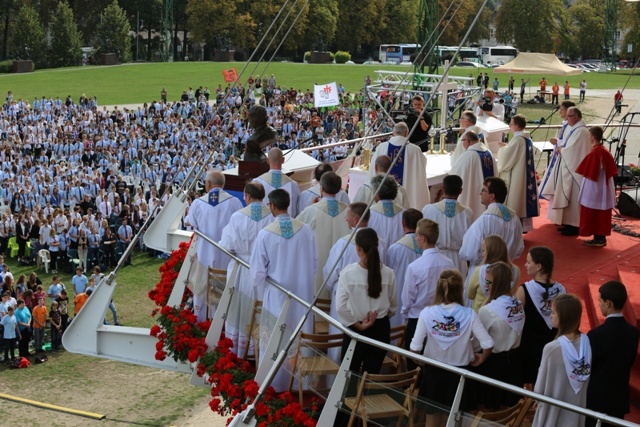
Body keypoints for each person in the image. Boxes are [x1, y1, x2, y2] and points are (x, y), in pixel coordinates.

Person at [250, 189, 317, 391]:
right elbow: (314, 264)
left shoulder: (265, 234)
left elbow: (256, 275)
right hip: (302, 293)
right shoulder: (305, 230)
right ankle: (301, 385)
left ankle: (274, 383)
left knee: (276, 337)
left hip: (278, 296)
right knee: (300, 335)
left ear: (272, 206)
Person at [410, 270, 493, 427]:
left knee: (432, 420)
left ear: (438, 288)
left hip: (434, 374)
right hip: (459, 376)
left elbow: (415, 348)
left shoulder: (427, 313)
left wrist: (419, 362)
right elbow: (488, 344)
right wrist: (482, 358)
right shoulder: (470, 314)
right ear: (460, 290)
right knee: (455, 421)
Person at [219, 182, 274, 357]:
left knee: (239, 307)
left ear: (248, 196)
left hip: (242, 268)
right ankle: (258, 350)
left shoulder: (238, 216)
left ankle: (238, 346)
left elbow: (226, 245)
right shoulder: (272, 216)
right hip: (265, 271)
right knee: (261, 308)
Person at [336, 227, 396, 374]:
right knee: (372, 377)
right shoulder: (389, 273)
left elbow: (341, 308)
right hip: (380, 328)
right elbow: (393, 306)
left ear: (358, 248)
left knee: (348, 376)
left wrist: (360, 326)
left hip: (356, 328)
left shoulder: (348, 274)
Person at [185, 170, 243, 321]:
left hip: (204, 255)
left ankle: (200, 322)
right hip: (225, 257)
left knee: (202, 291)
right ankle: (221, 324)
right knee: (223, 292)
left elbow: (190, 222)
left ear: (208, 184)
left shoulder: (198, 203)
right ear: (223, 184)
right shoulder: (235, 202)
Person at [401, 219, 455, 372]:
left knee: (414, 369)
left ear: (423, 238)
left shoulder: (415, 267)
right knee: (436, 367)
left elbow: (407, 299)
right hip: (442, 319)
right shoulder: (449, 263)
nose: (416, 239)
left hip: (417, 320)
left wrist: (405, 317)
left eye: (417, 235)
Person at [586, 281, 639, 427]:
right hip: (618, 400)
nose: (599, 304)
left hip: (595, 401)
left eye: (600, 301)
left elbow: (588, 368)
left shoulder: (596, 335)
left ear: (608, 303)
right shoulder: (633, 333)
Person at [533, 294, 591, 427]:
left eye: (553, 312)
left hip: (552, 417)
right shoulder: (586, 342)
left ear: (563, 316)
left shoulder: (551, 348)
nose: (550, 316)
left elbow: (539, 389)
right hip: (576, 414)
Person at [476, 261, 525, 409]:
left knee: (489, 410)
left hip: (493, 366)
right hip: (515, 363)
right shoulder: (517, 304)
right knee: (509, 409)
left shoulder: (488, 310)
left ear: (497, 283)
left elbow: (478, 342)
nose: (486, 286)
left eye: (488, 282)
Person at [515, 246, 567, 386]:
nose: (525, 265)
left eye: (528, 262)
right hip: (553, 345)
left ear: (538, 266)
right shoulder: (561, 290)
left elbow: (514, 318)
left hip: (529, 347)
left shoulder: (524, 290)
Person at [459, 177, 524, 281]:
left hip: (484, 275)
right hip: (505, 273)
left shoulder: (485, 219)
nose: (480, 193)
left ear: (492, 196)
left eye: (483, 190)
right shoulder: (515, 219)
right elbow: (518, 250)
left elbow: (469, 252)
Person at [297, 172, 350, 295]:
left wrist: (310, 207)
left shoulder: (312, 210)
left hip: (318, 267)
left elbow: (297, 228)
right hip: (343, 267)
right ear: (338, 189)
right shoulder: (348, 211)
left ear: (321, 188)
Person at [541, 107, 591, 236]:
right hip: (569, 167)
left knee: (573, 198)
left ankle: (574, 225)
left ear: (576, 117)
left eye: (569, 116)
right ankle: (568, 223)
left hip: (574, 171)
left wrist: (562, 149)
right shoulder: (575, 129)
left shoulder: (581, 131)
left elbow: (573, 150)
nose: (566, 118)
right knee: (567, 196)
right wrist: (561, 147)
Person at [368, 122, 429, 209]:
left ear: (393, 133)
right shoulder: (415, 150)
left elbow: (373, 170)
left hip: (381, 203)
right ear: (406, 133)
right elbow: (421, 168)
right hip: (408, 194)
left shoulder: (381, 147)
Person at [422, 174, 472, 278]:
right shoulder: (467, 213)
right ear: (460, 191)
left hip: (435, 257)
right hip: (458, 259)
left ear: (443, 189)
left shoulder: (429, 209)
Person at [576, 126, 618, 247]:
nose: (588, 137)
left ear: (593, 137)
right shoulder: (603, 150)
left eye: (589, 135)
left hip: (597, 188)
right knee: (600, 212)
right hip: (603, 186)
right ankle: (600, 237)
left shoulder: (596, 152)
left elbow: (592, 171)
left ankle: (599, 238)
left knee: (594, 211)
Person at [497, 114, 539, 231]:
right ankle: (521, 227)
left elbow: (508, 159)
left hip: (517, 175)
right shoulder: (526, 138)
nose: (510, 125)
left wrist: (502, 148)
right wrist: (507, 147)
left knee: (516, 201)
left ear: (517, 126)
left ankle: (515, 229)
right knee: (521, 201)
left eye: (511, 123)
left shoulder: (518, 139)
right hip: (523, 174)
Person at [385, 209, 423, 328]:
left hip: (400, 293)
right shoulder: (427, 246)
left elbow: (388, 273)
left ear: (403, 223)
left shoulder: (395, 248)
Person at [449, 130, 496, 222]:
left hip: (474, 196)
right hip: (488, 195)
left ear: (468, 141)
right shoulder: (488, 152)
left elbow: (454, 174)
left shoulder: (469, 155)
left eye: (463, 141)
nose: (463, 144)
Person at [538, 100, 576, 212]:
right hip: (559, 155)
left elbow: (568, 143)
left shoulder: (571, 127)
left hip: (565, 158)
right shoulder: (565, 124)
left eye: (562, 109)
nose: (560, 111)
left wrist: (558, 142)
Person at [467, 235, 520, 312]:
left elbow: (470, 295)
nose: (482, 254)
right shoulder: (515, 270)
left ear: (491, 252)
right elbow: (512, 292)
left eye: (483, 251)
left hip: (480, 315)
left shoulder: (479, 271)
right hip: (504, 313)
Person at [253, 148, 300, 217]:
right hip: (287, 225)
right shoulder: (293, 185)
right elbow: (297, 209)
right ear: (283, 160)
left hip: (265, 225)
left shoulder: (257, 183)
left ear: (267, 161)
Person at [367, 174, 405, 251]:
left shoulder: (369, 213)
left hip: (377, 255)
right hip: (398, 255)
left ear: (377, 193)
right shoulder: (404, 213)